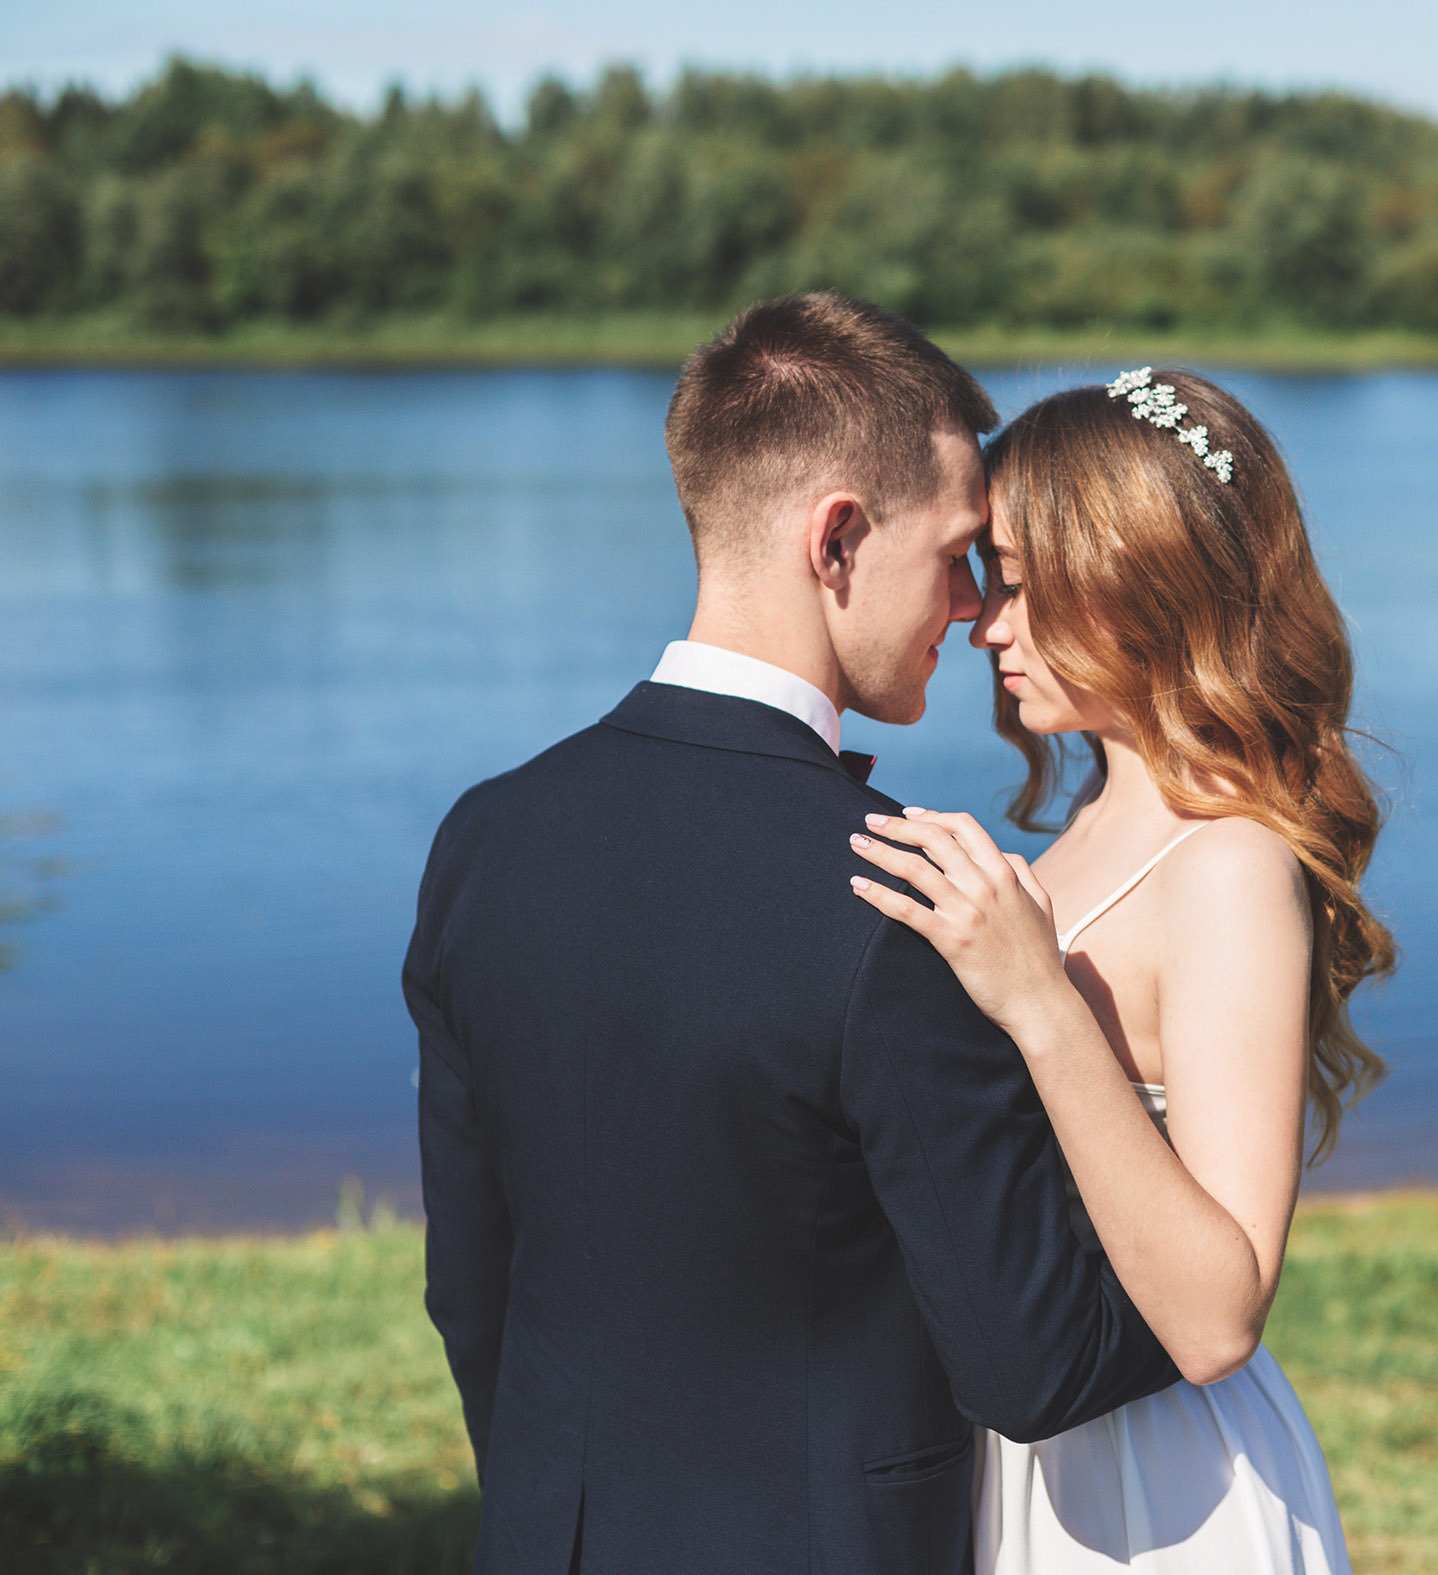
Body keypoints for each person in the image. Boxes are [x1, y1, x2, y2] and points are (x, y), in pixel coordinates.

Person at [403, 296, 1178, 1575]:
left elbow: (469, 1286)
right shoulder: (897, 896)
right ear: (838, 540)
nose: (977, 611)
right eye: (958, 555)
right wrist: (1183, 1201)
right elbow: (1036, 1365)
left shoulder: (485, 838)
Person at [848, 368, 1392, 1573]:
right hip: (1022, 1445)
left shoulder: (1231, 866)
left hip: (1157, 1493)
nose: (986, 625)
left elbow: (1216, 1316)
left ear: (1139, 587)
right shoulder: (1080, 834)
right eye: (989, 583)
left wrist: (1040, 1003)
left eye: (1028, 592)